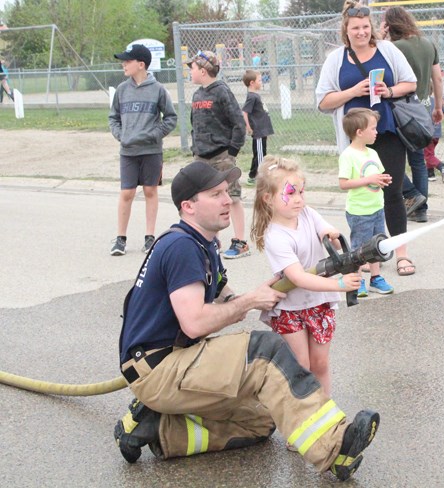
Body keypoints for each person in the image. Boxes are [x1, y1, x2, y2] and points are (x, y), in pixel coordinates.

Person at [114, 161, 379, 481]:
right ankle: (335, 447)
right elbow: (194, 323)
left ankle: (155, 427)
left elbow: (223, 293)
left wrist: (257, 295)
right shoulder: (181, 246)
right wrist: (251, 301)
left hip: (168, 366)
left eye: (227, 192)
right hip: (160, 368)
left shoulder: (203, 243)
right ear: (188, 206)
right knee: (266, 352)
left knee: (263, 417)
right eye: (215, 194)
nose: (228, 200)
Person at [316, 1, 418, 277]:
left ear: (371, 28)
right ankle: (367, 256)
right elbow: (324, 101)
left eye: (364, 27)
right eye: (355, 28)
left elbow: (411, 83)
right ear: (345, 31)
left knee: (392, 192)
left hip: (386, 132)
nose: (361, 32)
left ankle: (401, 254)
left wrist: (389, 91)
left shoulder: (387, 50)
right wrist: (352, 91)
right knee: (362, 195)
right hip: (356, 141)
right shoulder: (335, 59)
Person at [250, 155, 361, 396]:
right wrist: (339, 284)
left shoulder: (307, 214)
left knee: (320, 365)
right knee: (301, 367)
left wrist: (332, 235)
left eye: (301, 191)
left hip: (319, 304)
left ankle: (326, 415)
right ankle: (301, 418)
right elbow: (298, 277)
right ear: (267, 198)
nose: (298, 199)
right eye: (290, 193)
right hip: (291, 309)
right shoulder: (275, 236)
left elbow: (328, 234)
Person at [109, 44, 177, 256]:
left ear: (141, 64)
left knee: (150, 191)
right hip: (128, 152)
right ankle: (120, 239)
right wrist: (122, 135)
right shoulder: (122, 90)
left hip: (151, 151)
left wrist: (152, 135)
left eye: (128, 61)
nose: (124, 64)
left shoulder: (157, 89)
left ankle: (149, 238)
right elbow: (113, 118)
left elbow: (171, 118)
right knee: (127, 192)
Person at [381, 6, 444, 224]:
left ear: (390, 25)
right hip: (423, 107)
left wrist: (380, 37)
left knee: (389, 157)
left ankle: (411, 195)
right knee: (418, 159)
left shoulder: (392, 47)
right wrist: (438, 106)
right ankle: (421, 208)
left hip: (399, 108)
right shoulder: (427, 43)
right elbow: (438, 78)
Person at [187, 50, 250, 259]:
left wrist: (232, 151)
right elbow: (194, 124)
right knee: (206, 199)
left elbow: (238, 123)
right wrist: (195, 147)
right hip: (201, 156)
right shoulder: (197, 94)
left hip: (221, 155)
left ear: (203, 71)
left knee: (231, 197)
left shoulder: (221, 91)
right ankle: (210, 239)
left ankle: (240, 241)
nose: (190, 72)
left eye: (193, 68)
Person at [338, 108, 394, 297]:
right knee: (360, 248)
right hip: (359, 211)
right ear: (359, 132)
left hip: (377, 207)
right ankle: (358, 279)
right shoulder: (348, 155)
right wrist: (368, 181)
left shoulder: (372, 153)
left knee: (377, 244)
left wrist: (383, 180)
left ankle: (376, 278)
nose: (376, 132)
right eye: (373, 128)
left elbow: (376, 175)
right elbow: (343, 184)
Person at [242, 69, 274, 187]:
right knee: (260, 156)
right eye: (259, 80)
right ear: (252, 83)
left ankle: (253, 176)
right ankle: (259, 177)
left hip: (262, 131)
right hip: (258, 131)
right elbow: (245, 112)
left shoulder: (255, 96)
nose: (261, 82)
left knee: (260, 154)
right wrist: (249, 127)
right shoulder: (252, 97)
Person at [424, 94, 444, 183]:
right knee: (430, 153)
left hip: (427, 132)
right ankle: (430, 174)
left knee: (428, 155)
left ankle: (442, 167)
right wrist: (443, 105)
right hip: (436, 133)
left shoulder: (420, 100)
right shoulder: (435, 101)